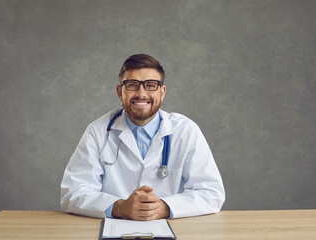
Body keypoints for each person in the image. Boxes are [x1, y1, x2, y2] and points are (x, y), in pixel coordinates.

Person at [60, 54, 225, 221]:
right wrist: (120, 207)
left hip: (173, 231)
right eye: (132, 85)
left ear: (162, 92)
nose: (141, 93)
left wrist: (163, 208)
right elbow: (73, 192)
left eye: (151, 85)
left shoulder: (186, 130)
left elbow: (211, 193)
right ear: (119, 92)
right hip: (114, 231)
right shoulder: (98, 131)